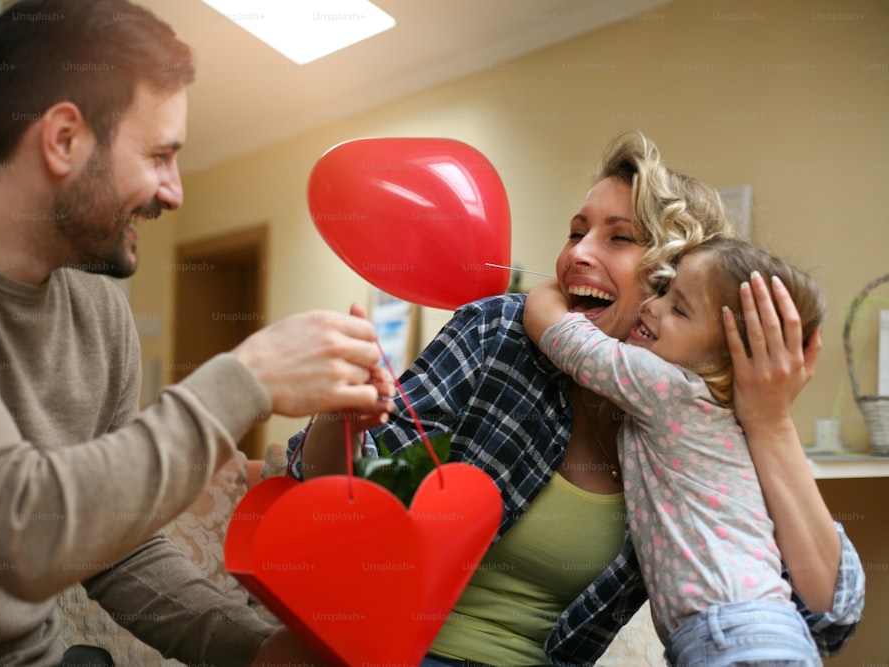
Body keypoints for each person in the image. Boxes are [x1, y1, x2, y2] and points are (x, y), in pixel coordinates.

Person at [0, 0, 393, 665]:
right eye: (160, 154)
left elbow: (118, 547)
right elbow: (25, 535)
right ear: (64, 138)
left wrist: (258, 650)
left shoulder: (97, 303)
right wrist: (248, 378)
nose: (175, 191)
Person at [290, 132, 865, 666]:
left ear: (670, 279)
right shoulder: (499, 334)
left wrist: (771, 424)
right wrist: (341, 412)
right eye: (575, 231)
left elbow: (828, 614)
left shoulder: (704, 417)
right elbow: (333, 490)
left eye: (618, 237)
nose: (577, 254)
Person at [523, 236, 828, 666]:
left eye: (678, 309)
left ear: (728, 358)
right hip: (766, 629)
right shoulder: (734, 415)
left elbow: (563, 337)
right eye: (664, 291)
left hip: (726, 634)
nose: (653, 306)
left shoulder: (668, 389)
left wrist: (548, 290)